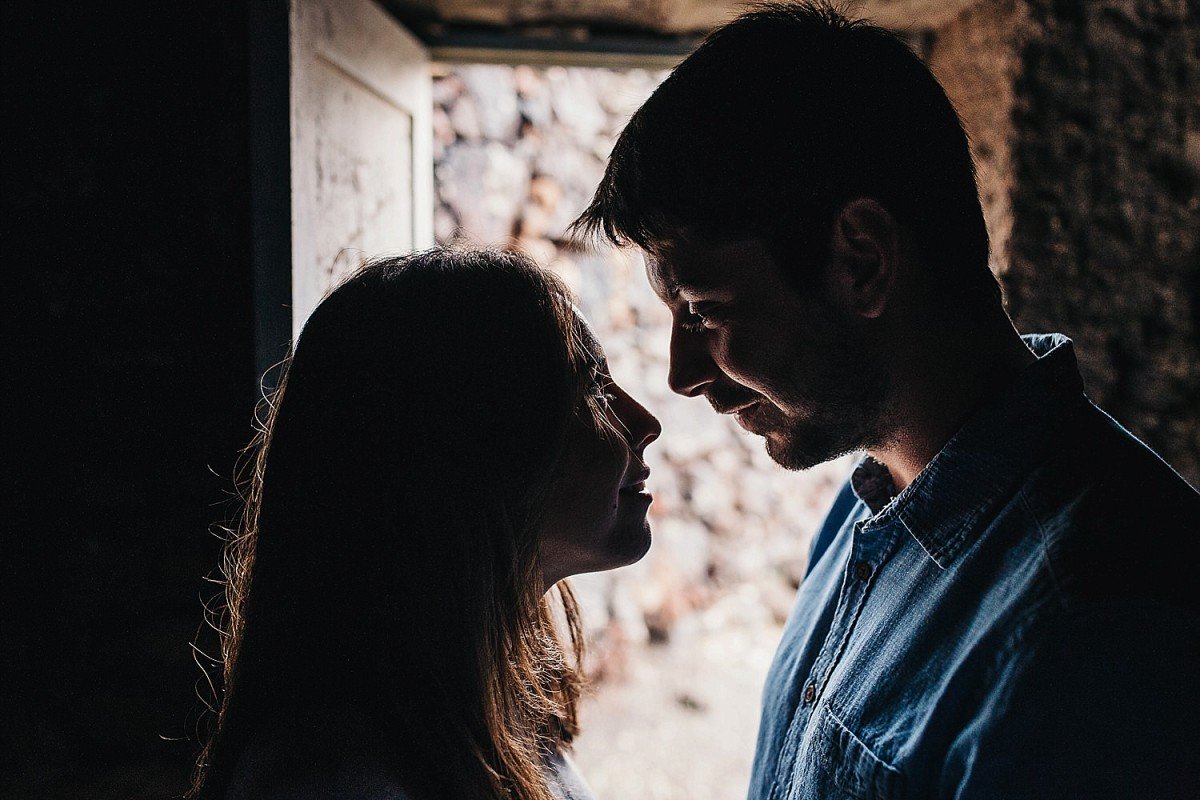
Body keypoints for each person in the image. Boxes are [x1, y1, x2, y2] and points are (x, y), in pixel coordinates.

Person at [572, 2, 1200, 797]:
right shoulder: (868, 503)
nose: (681, 375)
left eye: (703, 311)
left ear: (861, 261)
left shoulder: (1106, 630)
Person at [189, 249, 660, 800]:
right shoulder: (340, 784)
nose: (645, 422)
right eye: (592, 392)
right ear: (471, 450)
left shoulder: (483, 717)